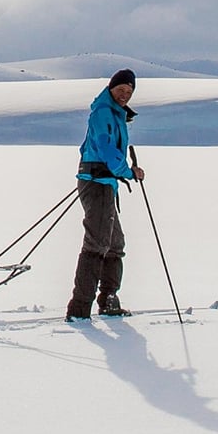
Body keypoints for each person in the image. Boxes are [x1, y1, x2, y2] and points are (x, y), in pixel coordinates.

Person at [66, 68, 144, 321]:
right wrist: (129, 172)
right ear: (111, 89)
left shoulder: (116, 114)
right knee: (98, 244)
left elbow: (111, 153)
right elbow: (107, 149)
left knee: (114, 244)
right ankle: (79, 310)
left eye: (129, 92)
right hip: (96, 182)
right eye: (121, 90)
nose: (124, 95)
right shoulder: (103, 112)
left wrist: (125, 171)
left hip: (106, 183)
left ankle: (109, 300)